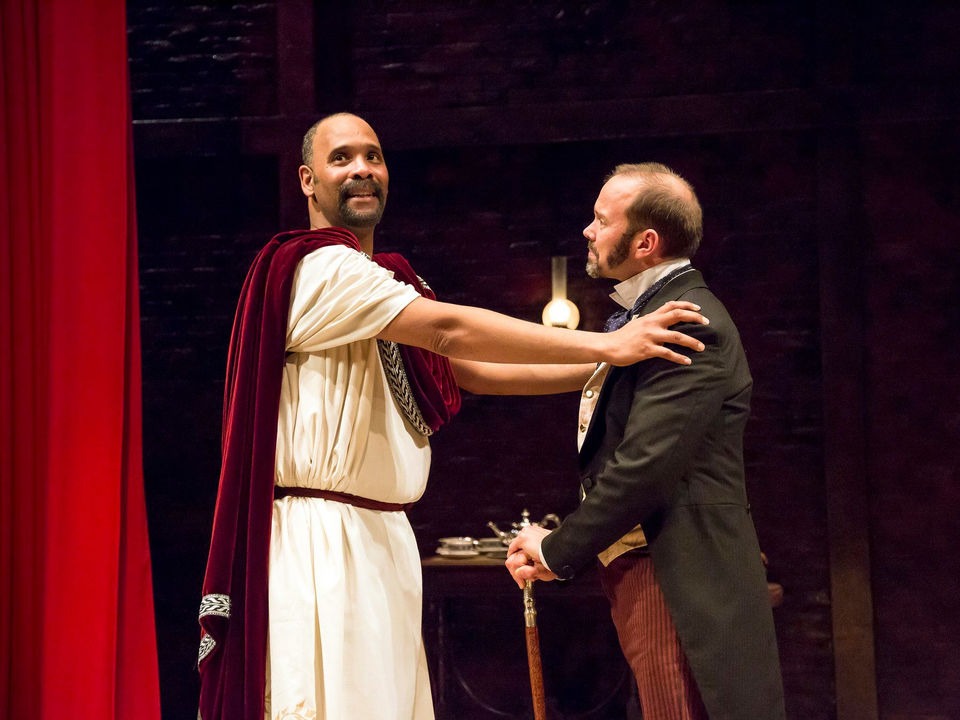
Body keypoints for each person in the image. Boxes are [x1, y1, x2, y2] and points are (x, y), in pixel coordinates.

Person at [196, 115, 709, 720]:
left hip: (380, 535)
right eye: (342, 158)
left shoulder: (380, 279)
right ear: (308, 180)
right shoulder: (320, 267)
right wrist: (609, 345)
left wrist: (611, 367)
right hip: (322, 540)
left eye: (373, 156)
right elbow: (448, 329)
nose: (362, 169)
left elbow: (470, 368)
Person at [507, 163, 786, 720]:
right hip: (647, 563)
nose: (587, 230)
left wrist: (556, 549)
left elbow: (645, 468)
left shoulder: (684, 321)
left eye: (601, 220)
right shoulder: (645, 319)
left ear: (645, 243)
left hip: (673, 570)